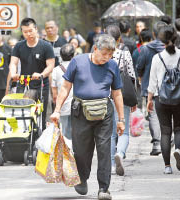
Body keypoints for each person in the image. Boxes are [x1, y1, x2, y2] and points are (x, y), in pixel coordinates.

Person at [50, 34, 125, 200]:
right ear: (95, 48)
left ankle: (104, 189)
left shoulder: (112, 65)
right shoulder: (78, 62)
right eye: (104, 53)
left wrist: (121, 119)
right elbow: (65, 88)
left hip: (104, 113)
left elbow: (117, 93)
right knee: (82, 150)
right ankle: (82, 179)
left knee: (105, 150)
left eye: (110, 54)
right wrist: (57, 110)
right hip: (80, 112)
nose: (107, 57)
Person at [147, 25, 180, 174]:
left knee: (165, 132)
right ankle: (177, 149)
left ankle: (167, 167)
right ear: (176, 37)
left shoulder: (157, 58)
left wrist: (149, 100)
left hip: (161, 98)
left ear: (161, 41)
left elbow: (152, 82)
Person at [8, 18, 55, 131]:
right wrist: (13, 73)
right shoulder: (19, 46)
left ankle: (40, 136)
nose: (28, 34)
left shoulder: (46, 46)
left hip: (41, 84)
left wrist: (41, 74)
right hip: (23, 83)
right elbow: (13, 63)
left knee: (41, 113)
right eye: (25, 32)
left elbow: (50, 65)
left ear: (36, 29)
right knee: (22, 111)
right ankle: (24, 138)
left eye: (30, 31)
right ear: (22, 32)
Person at [105, 25, 136, 176]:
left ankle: (111, 164)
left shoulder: (101, 54)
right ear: (119, 39)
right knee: (123, 132)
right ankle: (121, 154)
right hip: (122, 95)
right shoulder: (124, 53)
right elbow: (131, 76)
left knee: (111, 134)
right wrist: (134, 99)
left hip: (105, 96)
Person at [137, 21, 166, 156]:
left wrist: (141, 78)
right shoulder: (170, 48)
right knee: (167, 114)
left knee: (153, 115)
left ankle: (156, 144)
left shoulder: (145, 49)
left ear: (153, 34)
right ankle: (169, 139)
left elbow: (139, 67)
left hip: (150, 87)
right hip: (169, 88)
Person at [51, 43, 75, 139]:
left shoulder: (56, 70)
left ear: (60, 56)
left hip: (63, 105)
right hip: (76, 106)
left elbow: (54, 93)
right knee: (76, 130)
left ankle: (67, 151)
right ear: (73, 55)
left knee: (64, 132)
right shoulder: (77, 67)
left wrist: (57, 107)